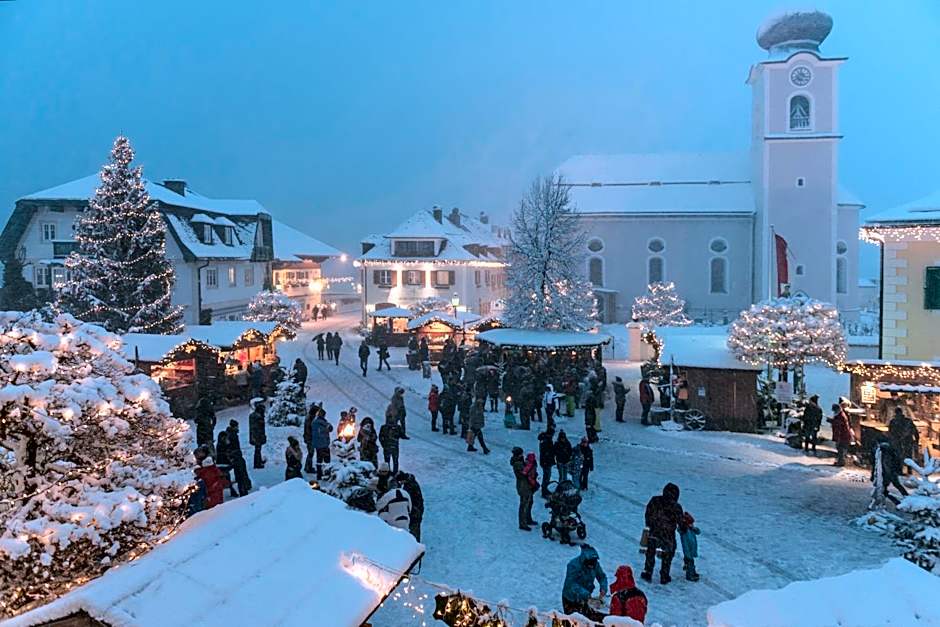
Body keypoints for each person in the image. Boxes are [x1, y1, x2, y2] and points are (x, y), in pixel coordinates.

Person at [641, 482, 683, 584]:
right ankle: (664, 575)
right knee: (668, 553)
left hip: (654, 532)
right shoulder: (676, 507)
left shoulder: (655, 501)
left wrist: (651, 524)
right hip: (668, 534)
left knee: (650, 552)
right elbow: (680, 522)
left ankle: (648, 572)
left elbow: (648, 514)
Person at [561, 544, 608, 622]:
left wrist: (603, 588)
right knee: (572, 621)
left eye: (594, 562)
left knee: (587, 619)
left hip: (585, 598)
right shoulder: (573, 565)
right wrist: (585, 593)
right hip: (571, 598)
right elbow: (571, 584)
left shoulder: (595, 564)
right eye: (590, 563)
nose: (592, 565)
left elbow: (602, 577)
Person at [872, 441, 910, 505]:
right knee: (897, 486)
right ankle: (907, 498)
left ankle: (897, 501)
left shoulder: (884, 455)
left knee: (884, 490)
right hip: (892, 473)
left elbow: (885, 466)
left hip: (887, 474)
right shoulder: (891, 453)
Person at [224, 419, 252, 496]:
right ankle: (243, 489)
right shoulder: (232, 435)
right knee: (241, 474)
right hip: (236, 456)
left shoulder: (229, 434)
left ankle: (243, 488)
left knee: (239, 474)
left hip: (235, 456)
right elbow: (233, 447)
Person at [889, 407, 919, 475]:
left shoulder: (893, 421)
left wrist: (892, 441)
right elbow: (915, 431)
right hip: (908, 441)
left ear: (895, 413)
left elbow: (890, 433)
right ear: (902, 413)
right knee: (908, 455)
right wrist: (916, 440)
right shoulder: (908, 421)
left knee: (898, 455)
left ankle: (900, 470)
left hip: (897, 441)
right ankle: (909, 470)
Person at [511, 447, 534, 530]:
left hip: (526, 485)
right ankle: (523, 523)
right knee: (524, 504)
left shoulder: (520, 461)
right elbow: (523, 473)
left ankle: (528, 519)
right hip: (523, 486)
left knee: (529, 502)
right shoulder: (517, 463)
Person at [397, 471, 424, 541]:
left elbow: (406, 499)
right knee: (416, 530)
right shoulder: (411, 482)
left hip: (415, 511)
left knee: (414, 531)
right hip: (418, 509)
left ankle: (416, 546)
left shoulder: (409, 487)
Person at [828, 403, 854, 467]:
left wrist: (831, 421)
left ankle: (841, 462)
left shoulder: (841, 416)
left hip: (843, 435)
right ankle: (840, 461)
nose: (833, 412)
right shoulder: (840, 415)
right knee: (840, 448)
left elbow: (839, 424)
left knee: (841, 449)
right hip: (843, 435)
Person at [311, 408, 333, 480]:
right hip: (324, 444)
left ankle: (319, 474)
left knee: (319, 459)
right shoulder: (324, 423)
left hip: (317, 445)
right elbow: (330, 429)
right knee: (327, 460)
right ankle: (327, 474)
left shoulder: (314, 422)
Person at [679, 512, 701, 581]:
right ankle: (690, 575)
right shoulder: (684, 530)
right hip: (687, 550)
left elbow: (698, 532)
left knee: (691, 561)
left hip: (692, 549)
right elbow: (680, 530)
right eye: (690, 523)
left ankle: (692, 572)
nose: (692, 525)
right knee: (689, 562)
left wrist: (693, 528)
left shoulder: (691, 529)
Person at [248, 399, 267, 469]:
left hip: (254, 436)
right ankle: (257, 463)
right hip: (257, 436)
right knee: (257, 450)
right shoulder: (258, 417)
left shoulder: (252, 415)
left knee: (257, 450)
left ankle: (258, 461)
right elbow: (260, 427)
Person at [538, 428, 556, 498]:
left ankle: (545, 489)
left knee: (547, 476)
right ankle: (544, 491)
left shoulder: (545, 440)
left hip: (546, 461)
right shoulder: (546, 441)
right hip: (546, 462)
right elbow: (547, 452)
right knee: (546, 477)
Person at [302, 405, 318, 474]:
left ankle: (307, 467)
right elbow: (309, 430)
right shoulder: (310, 419)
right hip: (310, 439)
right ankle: (308, 467)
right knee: (311, 453)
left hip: (308, 438)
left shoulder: (309, 417)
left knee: (310, 453)